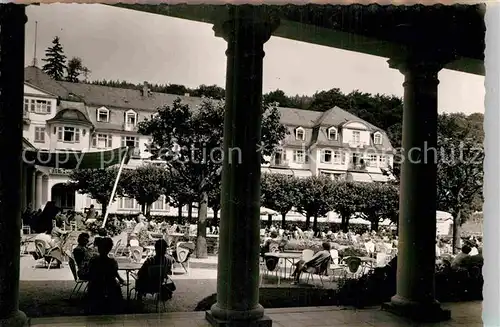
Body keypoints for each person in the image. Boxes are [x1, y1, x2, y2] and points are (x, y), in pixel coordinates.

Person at [86, 237, 126, 314]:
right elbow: (115, 274)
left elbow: (90, 273)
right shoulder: (112, 262)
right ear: (110, 248)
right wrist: (121, 280)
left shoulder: (93, 261)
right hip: (110, 285)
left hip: (95, 286)